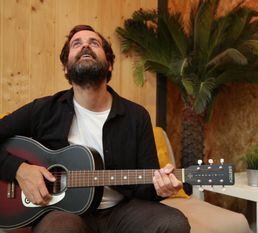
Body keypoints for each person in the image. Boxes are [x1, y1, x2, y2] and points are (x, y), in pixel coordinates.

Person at [0, 25, 190, 233]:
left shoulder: (136, 116)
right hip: (63, 213)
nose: (85, 47)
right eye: (77, 44)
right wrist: (19, 169)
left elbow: (146, 188)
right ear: (66, 67)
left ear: (109, 65)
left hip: (121, 211)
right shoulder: (43, 109)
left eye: (94, 43)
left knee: (174, 224)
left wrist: (162, 188)